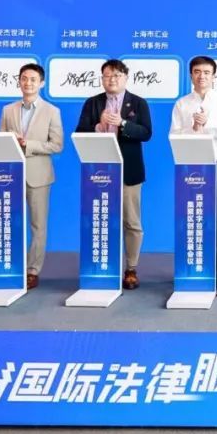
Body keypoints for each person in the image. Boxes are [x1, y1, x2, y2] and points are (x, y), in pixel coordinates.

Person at [75, 59, 152, 290]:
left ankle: (131, 269)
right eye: (107, 75)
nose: (112, 79)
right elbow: (80, 133)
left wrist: (123, 124)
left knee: (131, 222)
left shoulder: (138, 102)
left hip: (129, 171)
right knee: (100, 219)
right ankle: (103, 266)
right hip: (99, 171)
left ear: (126, 78)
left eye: (117, 75)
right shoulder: (93, 103)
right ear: (102, 79)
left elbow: (146, 133)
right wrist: (98, 126)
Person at [170, 56, 217, 288]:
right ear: (191, 75)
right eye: (197, 72)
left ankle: (216, 271)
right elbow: (173, 135)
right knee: (190, 217)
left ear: (213, 76)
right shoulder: (182, 103)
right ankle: (190, 267)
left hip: (215, 164)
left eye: (207, 72)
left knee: (213, 217)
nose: (202, 76)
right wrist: (193, 128)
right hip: (189, 166)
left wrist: (207, 125)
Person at [0, 63, 64, 290]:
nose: (28, 83)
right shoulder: (8, 110)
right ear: (19, 81)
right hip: (11, 175)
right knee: (10, 222)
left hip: (39, 176)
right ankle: (12, 265)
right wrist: (9, 141)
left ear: (41, 83)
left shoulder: (52, 111)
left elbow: (57, 145)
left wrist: (29, 144)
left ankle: (32, 270)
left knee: (38, 226)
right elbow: (0, 139)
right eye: (24, 78)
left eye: (33, 79)